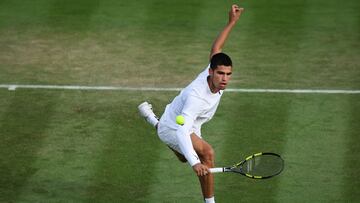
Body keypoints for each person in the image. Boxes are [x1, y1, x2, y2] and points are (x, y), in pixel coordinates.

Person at [138, 5, 244, 203]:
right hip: (175, 126)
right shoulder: (197, 97)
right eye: (220, 73)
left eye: (228, 74)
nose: (225, 79)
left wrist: (231, 22)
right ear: (211, 72)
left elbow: (216, 49)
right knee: (206, 154)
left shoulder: (211, 71)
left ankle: (155, 122)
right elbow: (181, 132)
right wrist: (196, 163)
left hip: (189, 121)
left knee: (183, 157)